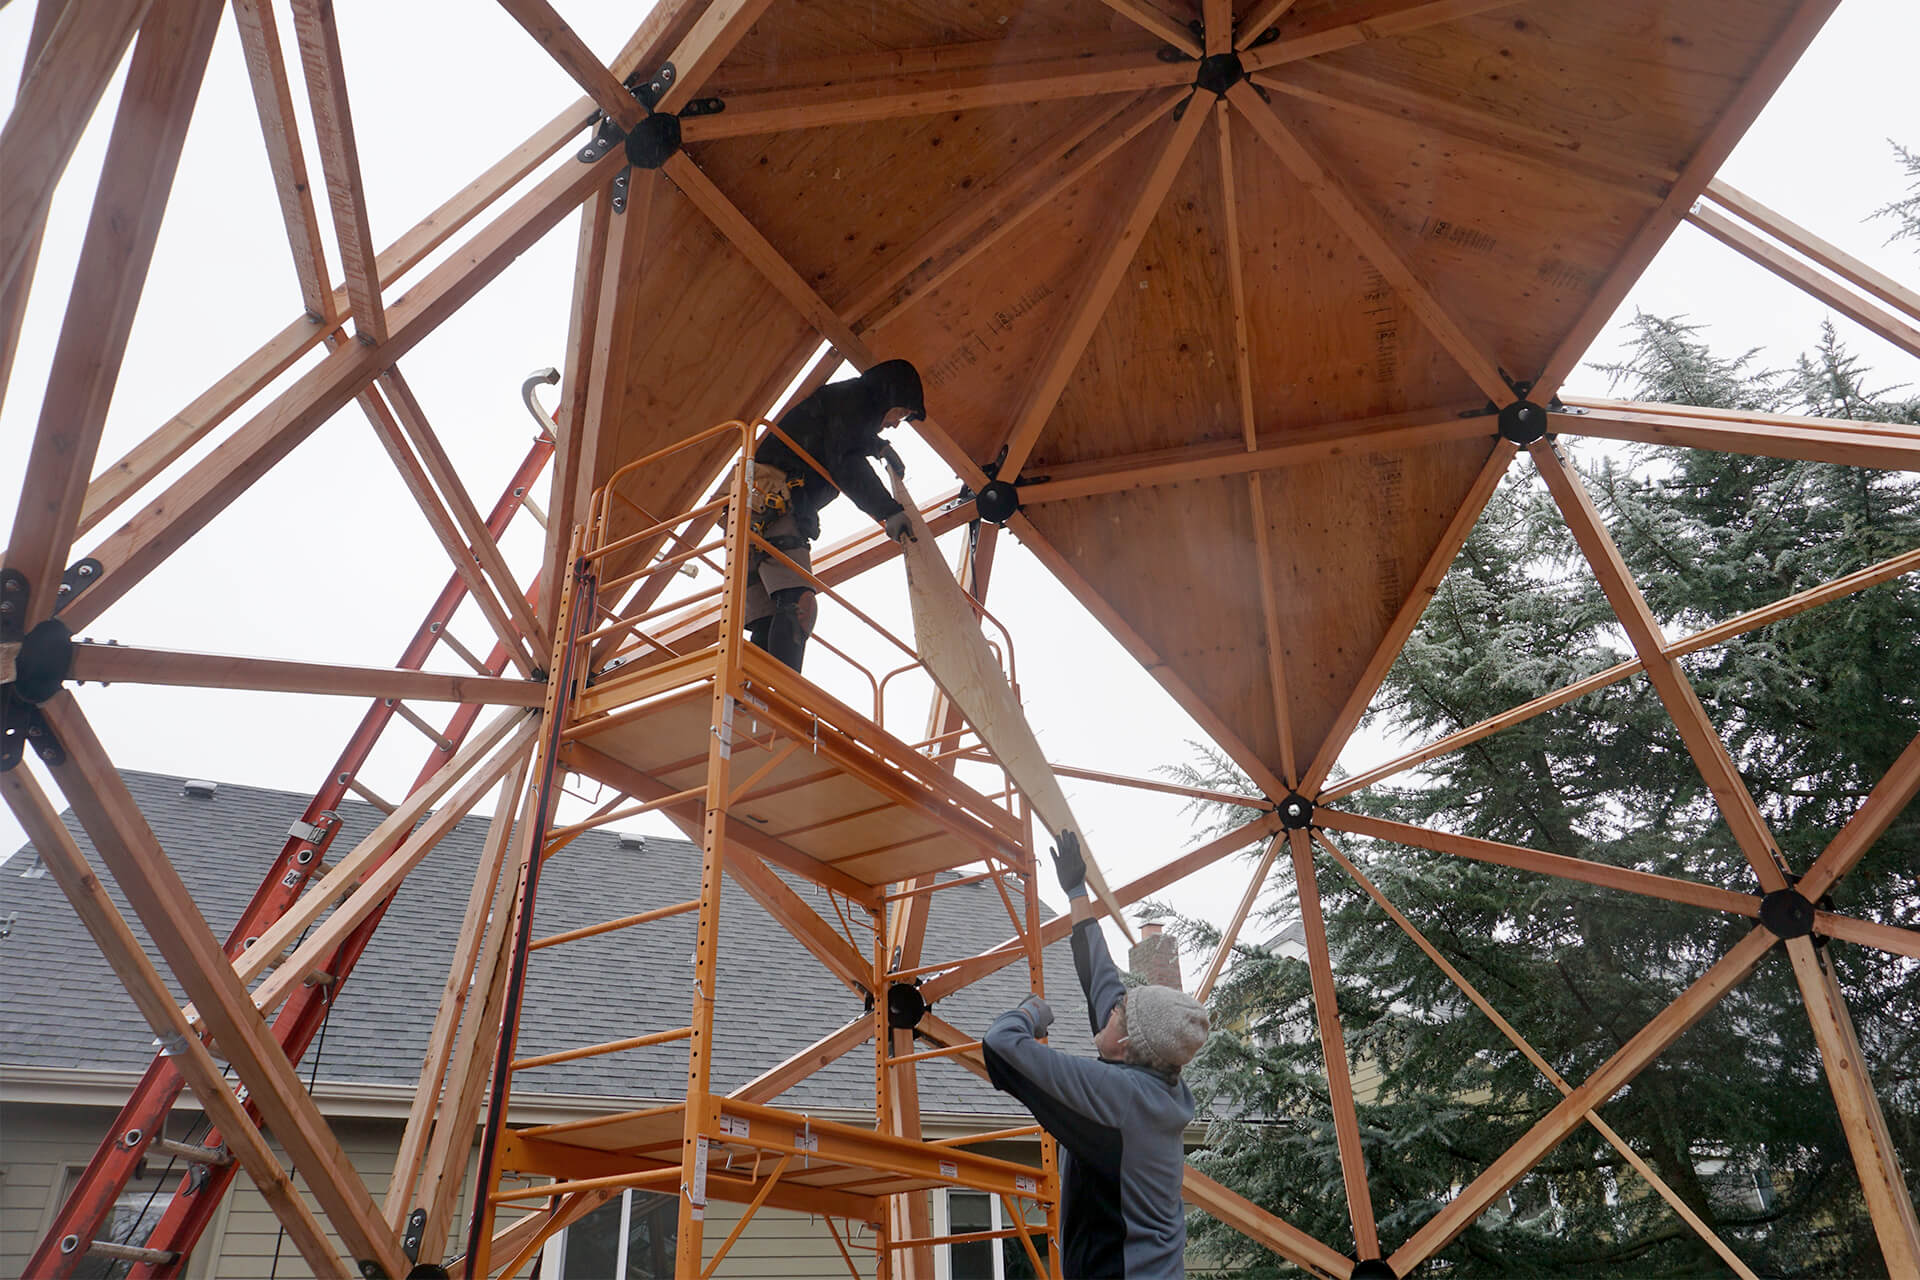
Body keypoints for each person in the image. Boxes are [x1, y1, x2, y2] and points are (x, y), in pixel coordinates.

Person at [982, 830, 1211, 1279]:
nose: (1108, 1012)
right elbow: (1100, 973)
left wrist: (1030, 1012)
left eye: (1117, 1015)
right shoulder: (1154, 1078)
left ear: (1125, 1046)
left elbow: (1001, 1045)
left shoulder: (1118, 1098)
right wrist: (1075, 891)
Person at [744, 358, 924, 671]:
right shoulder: (853, 402)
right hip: (775, 500)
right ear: (888, 396)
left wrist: (878, 446)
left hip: (748, 506)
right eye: (900, 412)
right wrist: (888, 511)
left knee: (768, 616)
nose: (896, 422)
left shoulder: (841, 402)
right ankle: (781, 698)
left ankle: (750, 699)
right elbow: (846, 464)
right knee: (799, 605)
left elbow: (835, 436)